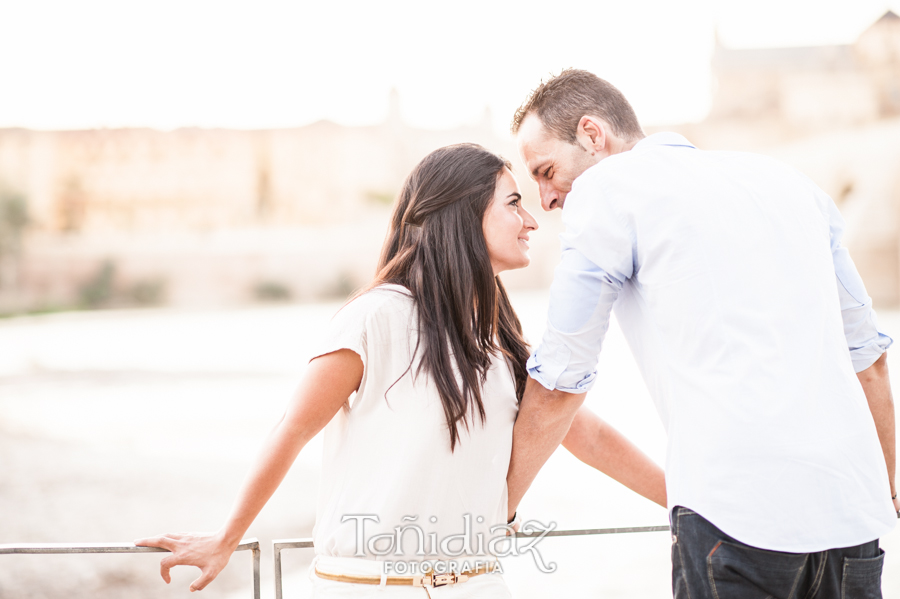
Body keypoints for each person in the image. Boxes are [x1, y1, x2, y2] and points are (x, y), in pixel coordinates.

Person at [135, 143, 666, 597]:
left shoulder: (500, 339)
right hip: (369, 586)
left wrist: (687, 504)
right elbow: (292, 429)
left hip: (478, 584)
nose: (531, 220)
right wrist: (225, 538)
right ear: (461, 213)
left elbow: (587, 434)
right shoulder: (376, 317)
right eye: (513, 204)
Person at [505, 69, 898, 599]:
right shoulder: (789, 182)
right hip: (854, 516)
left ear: (593, 135)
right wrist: (887, 486)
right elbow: (868, 356)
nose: (547, 199)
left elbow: (561, 380)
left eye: (546, 171)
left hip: (737, 518)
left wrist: (497, 509)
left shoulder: (607, 191)